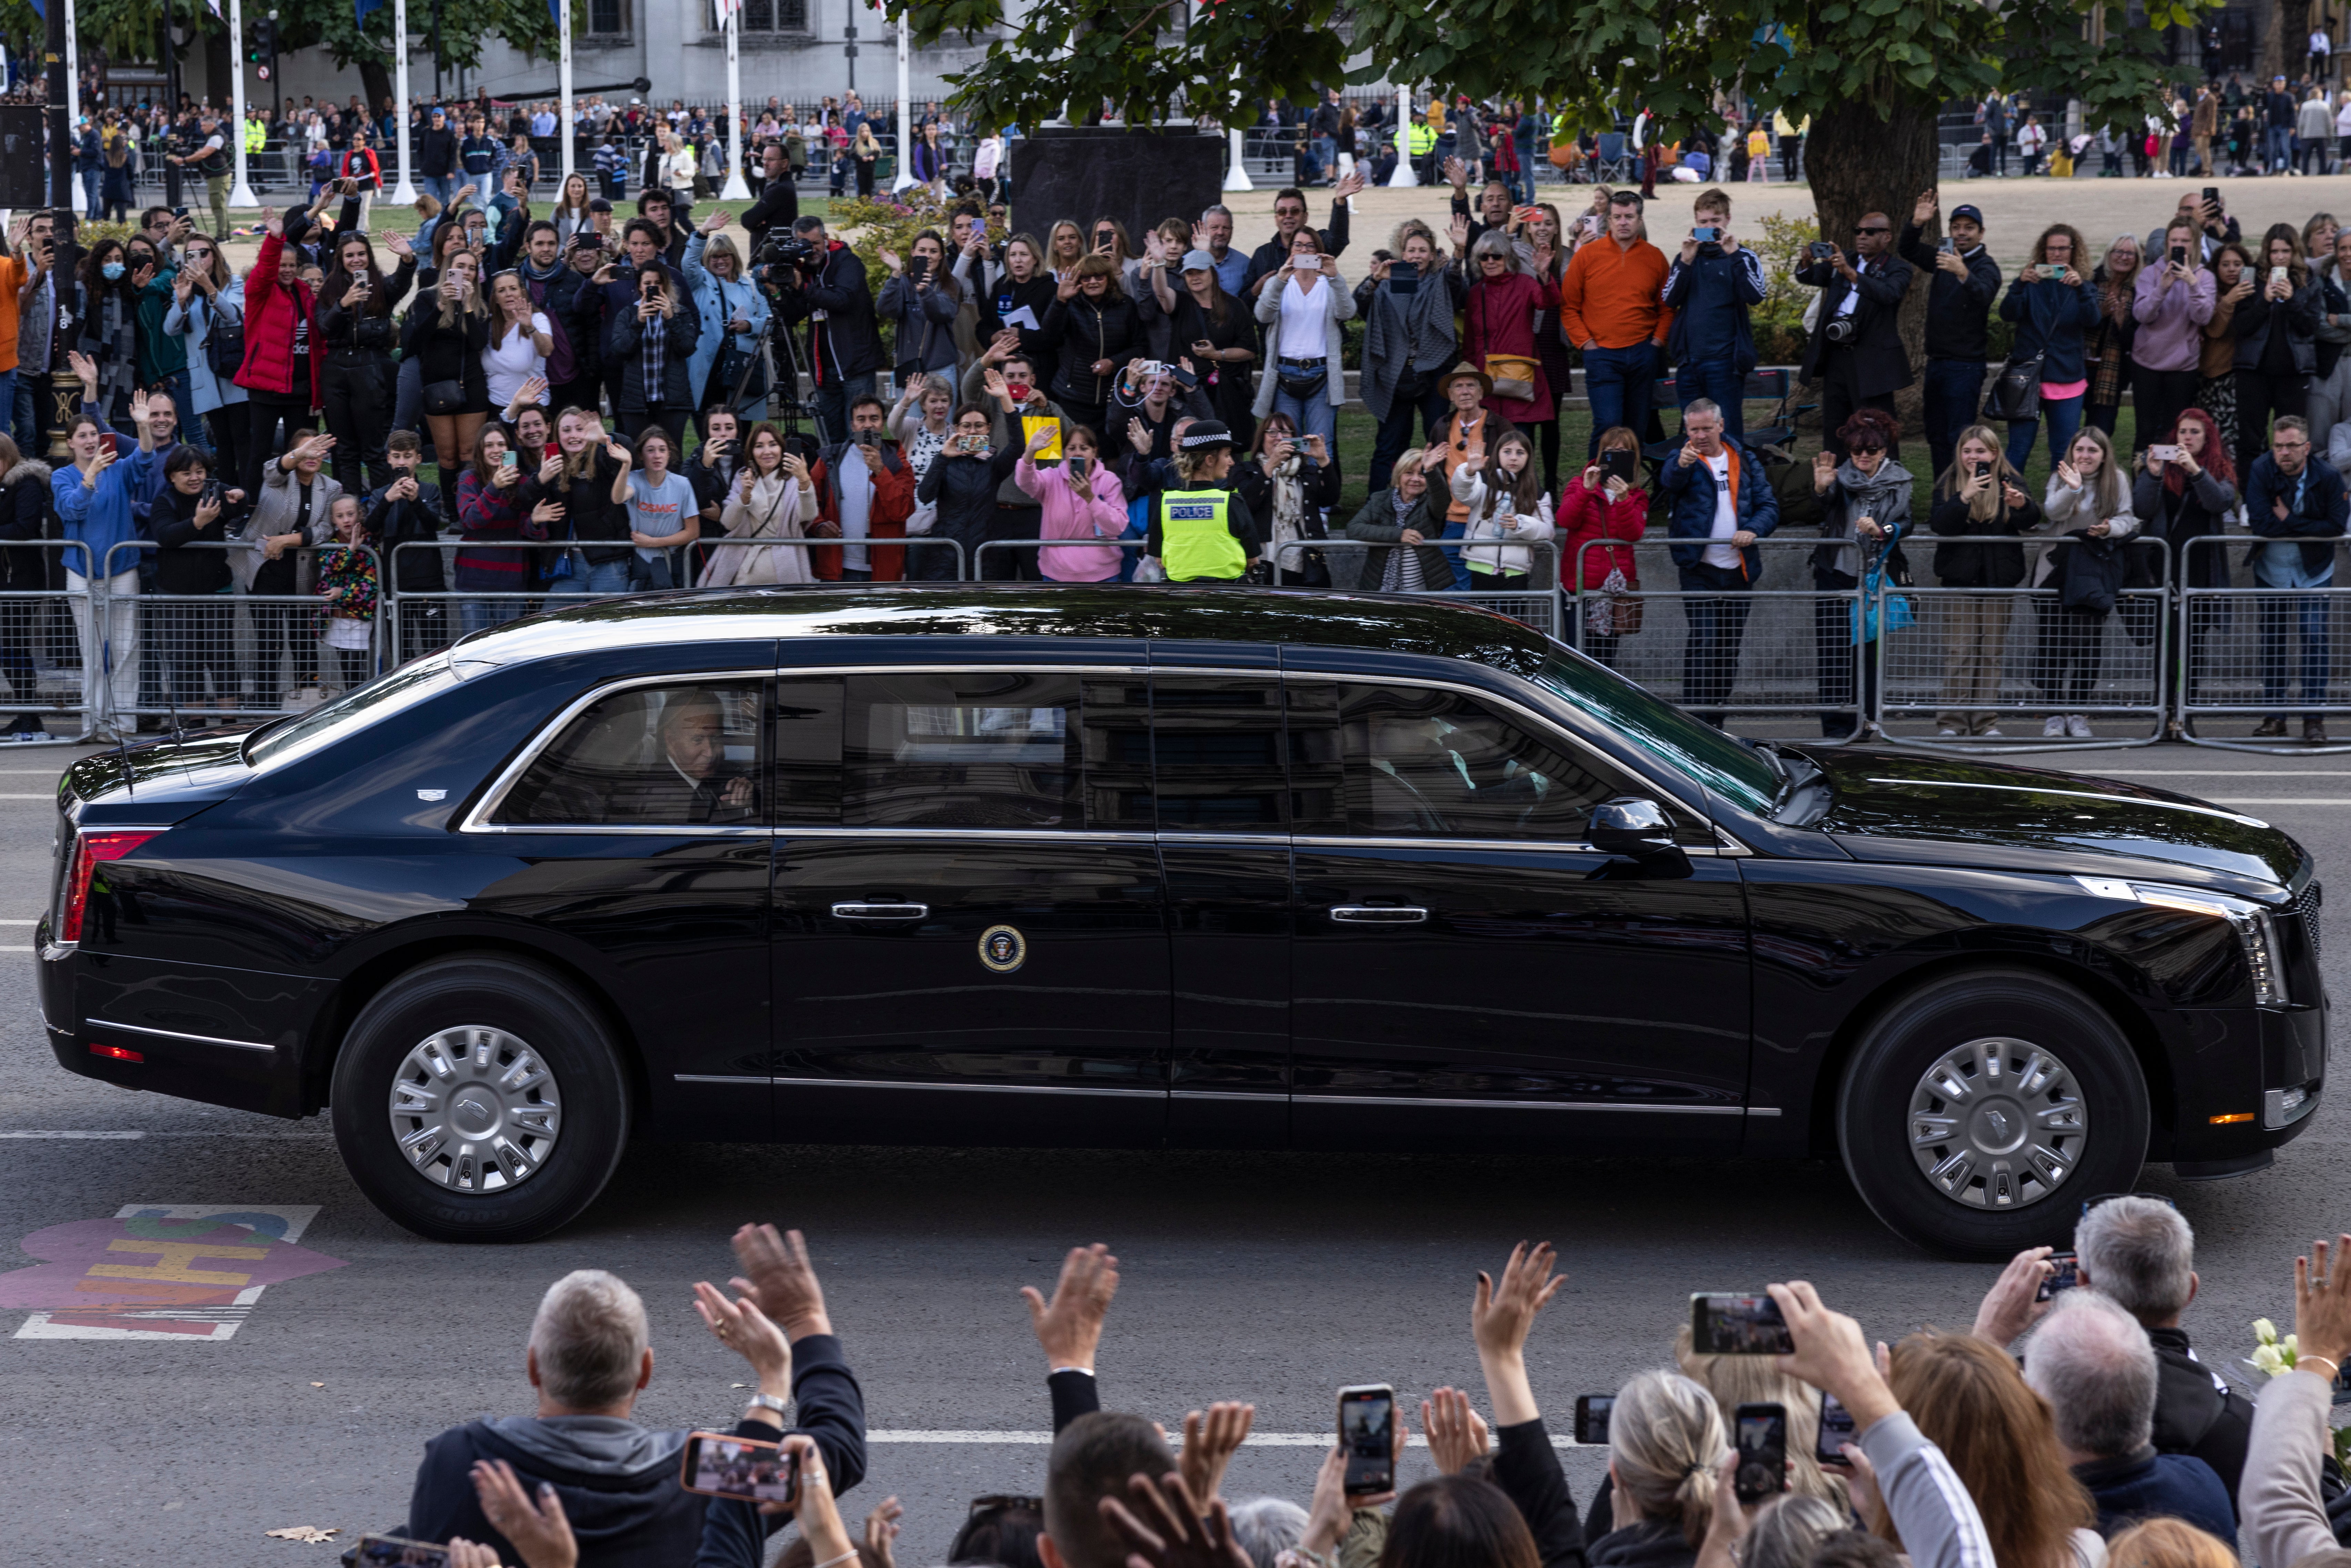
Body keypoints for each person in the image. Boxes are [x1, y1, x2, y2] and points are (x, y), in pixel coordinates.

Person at [402, 1226, 867, 1568]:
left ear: (532, 1367)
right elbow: (833, 1455)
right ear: (644, 1370)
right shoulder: (710, 1471)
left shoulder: (458, 1462)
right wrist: (805, 1319)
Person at [2021, 1290, 2234, 1542]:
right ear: (2149, 1389)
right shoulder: (2201, 1484)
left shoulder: (2030, 1523)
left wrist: (1989, 1337)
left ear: (2041, 1409)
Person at [1662, 398, 1779, 726]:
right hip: (1699, 569)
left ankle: (1717, 721)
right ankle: (1696, 723)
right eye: (1693, 429)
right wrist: (1681, 465)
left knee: (1728, 649)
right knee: (1704, 642)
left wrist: (1752, 530)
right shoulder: (1681, 458)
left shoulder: (1744, 458)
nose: (1700, 436)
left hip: (1739, 571)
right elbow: (1668, 483)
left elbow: (1769, 507)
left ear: (1720, 426)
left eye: (1706, 428)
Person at [1927, 425, 2042, 737]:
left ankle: (1984, 721)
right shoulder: (1949, 482)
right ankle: (1952, 722)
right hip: (1960, 581)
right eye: (1967, 451)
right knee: (1960, 653)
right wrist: (1964, 497)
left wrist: (2021, 505)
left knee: (1991, 654)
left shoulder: (2011, 480)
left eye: (1980, 451)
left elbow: (2031, 520)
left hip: (1998, 581)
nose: (1972, 457)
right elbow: (1940, 525)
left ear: (1993, 453)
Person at [1810, 408, 1913, 738]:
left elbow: (1907, 522)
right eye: (1856, 451)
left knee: (1868, 652)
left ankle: (1868, 720)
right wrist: (1821, 489)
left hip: (1873, 577)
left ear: (1884, 451)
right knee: (1833, 650)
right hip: (1835, 573)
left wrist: (1881, 529)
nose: (1863, 457)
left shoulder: (1900, 481)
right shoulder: (1839, 478)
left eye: (1871, 450)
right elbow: (1822, 509)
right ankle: (1835, 726)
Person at [2245, 414, 2349, 739]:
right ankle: (2274, 716)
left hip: (2314, 570)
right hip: (2272, 569)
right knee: (2273, 641)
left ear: (2306, 447)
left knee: (2314, 638)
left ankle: (2313, 719)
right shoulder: (2262, 469)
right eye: (2278, 446)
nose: (2284, 453)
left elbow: (2335, 525)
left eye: (2291, 446)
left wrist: (2289, 519)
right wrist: (2306, 527)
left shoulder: (2329, 476)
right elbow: (2261, 524)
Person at [2035, 426, 2137, 739]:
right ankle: (2054, 713)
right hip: (2055, 569)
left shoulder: (2117, 479)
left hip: (2093, 571)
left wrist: (2110, 529)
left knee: (2087, 646)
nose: (2085, 456)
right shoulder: (2061, 476)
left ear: (2104, 454)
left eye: (2092, 450)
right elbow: (2053, 511)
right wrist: (2073, 489)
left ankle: (2077, 713)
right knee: (2052, 645)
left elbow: (2128, 518)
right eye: (2080, 450)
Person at [1357, 223, 1468, 503]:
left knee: (1439, 440)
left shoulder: (1441, 278)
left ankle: (1443, 505)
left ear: (1432, 255)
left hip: (1433, 369)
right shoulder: (1393, 280)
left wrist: (1459, 253)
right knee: (1389, 443)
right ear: (1402, 254)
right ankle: (1380, 505)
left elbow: (1458, 287)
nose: (1416, 255)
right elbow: (1359, 307)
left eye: (1423, 250)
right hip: (1396, 372)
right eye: (1411, 250)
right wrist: (1375, 280)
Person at [1558, 189, 1671, 457]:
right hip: (1602, 356)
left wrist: (1656, 343)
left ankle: (1629, 495)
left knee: (1636, 431)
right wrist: (1587, 344)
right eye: (1617, 217)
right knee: (1607, 426)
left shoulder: (1655, 257)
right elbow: (1569, 306)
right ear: (1607, 220)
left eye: (1629, 217)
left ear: (1639, 220)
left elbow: (1666, 308)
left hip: (1642, 354)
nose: (1623, 222)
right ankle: (1593, 492)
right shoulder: (1587, 256)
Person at [1796, 211, 1915, 459]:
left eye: (1870, 232)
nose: (1862, 236)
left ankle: (1887, 486)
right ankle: (1834, 488)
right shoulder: (1846, 258)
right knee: (1835, 426)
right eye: (1858, 231)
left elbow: (1888, 294)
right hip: (1837, 357)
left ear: (1887, 238)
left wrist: (1850, 274)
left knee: (1876, 428)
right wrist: (1806, 263)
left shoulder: (1898, 269)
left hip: (1872, 362)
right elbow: (1811, 278)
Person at [236, 429, 341, 708]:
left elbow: (325, 530)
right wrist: (295, 456)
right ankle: (264, 707)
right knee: (269, 644)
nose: (312, 455)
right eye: (306, 449)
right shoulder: (279, 476)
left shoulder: (332, 488)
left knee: (304, 643)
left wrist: (286, 540)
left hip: (303, 577)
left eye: (318, 450)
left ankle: (306, 706)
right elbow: (271, 471)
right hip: (264, 572)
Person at [1901, 193, 2002, 482]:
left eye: (1969, 228)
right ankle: (1941, 498)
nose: (1961, 232)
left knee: (1962, 440)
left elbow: (1984, 295)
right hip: (1936, 364)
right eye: (1956, 227)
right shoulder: (1942, 258)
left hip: (1965, 367)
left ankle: (1965, 499)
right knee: (1935, 435)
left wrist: (1963, 273)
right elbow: (1907, 248)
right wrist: (1916, 223)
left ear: (1981, 233)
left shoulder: (1986, 266)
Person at [768, 215, 883, 446]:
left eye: (816, 243)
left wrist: (803, 287)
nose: (812, 250)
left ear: (826, 238)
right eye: (805, 245)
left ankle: (870, 480)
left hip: (856, 367)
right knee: (831, 443)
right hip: (824, 372)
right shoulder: (804, 269)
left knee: (864, 439)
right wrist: (776, 293)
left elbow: (842, 300)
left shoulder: (848, 263)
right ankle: (833, 483)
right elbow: (793, 316)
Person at [234, 212, 324, 504]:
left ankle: (294, 507)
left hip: (300, 391)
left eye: (292, 266)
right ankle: (252, 508)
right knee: (260, 452)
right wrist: (274, 239)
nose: (286, 270)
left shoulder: (306, 294)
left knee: (298, 452)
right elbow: (264, 270)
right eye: (281, 265)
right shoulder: (259, 291)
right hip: (266, 388)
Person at [1663, 188, 1766, 443]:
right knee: (1694, 435)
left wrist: (1733, 256)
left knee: (1728, 432)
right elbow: (1669, 299)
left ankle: (1733, 481)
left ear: (1727, 220)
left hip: (1725, 361)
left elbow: (1755, 296)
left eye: (1715, 222)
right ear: (1695, 224)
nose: (1710, 228)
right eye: (1703, 223)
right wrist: (1686, 262)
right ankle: (1697, 481)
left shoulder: (1743, 256)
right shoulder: (1686, 257)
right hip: (1689, 362)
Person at [1998, 225, 2101, 472]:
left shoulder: (2084, 286)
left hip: (2067, 379)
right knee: (2019, 448)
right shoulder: (2029, 283)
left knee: (2063, 450)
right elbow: (2007, 314)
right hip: (2028, 379)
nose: (2056, 254)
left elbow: (2093, 321)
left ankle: (2060, 507)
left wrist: (2080, 289)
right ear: (2043, 252)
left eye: (2062, 248)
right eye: (2051, 248)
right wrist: (2019, 285)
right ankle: (2007, 504)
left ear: (2073, 251)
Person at [2235, 223, 2323, 483]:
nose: (2280, 257)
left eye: (2285, 251)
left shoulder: (2308, 280)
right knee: (2250, 439)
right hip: (2253, 371)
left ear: (2294, 251)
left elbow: (2310, 327)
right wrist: (2265, 300)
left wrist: (2292, 299)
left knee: (2291, 441)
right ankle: (2252, 500)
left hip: (2293, 373)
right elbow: (2241, 326)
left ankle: (2288, 495)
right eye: (2274, 251)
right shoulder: (2250, 276)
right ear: (2266, 252)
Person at [163, 232, 250, 493]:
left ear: (215, 255)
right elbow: (170, 329)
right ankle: (226, 499)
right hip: (205, 376)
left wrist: (211, 289)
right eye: (192, 254)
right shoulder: (186, 289)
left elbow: (234, 317)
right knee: (221, 442)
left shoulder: (233, 283)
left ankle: (248, 497)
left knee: (243, 440)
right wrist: (180, 300)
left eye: (204, 253)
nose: (199, 258)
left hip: (232, 372)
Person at [1253, 228, 1354, 452]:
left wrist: (1335, 277)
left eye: (1310, 246)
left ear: (1318, 252)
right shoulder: (1279, 284)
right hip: (1284, 376)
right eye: (1298, 245)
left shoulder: (1328, 285)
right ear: (1290, 251)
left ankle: (1318, 486)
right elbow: (1262, 316)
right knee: (1289, 446)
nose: (1304, 250)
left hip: (1320, 376)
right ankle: (1292, 488)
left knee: (1320, 445)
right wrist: (1279, 280)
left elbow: (1347, 312)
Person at [1558, 426, 1647, 669]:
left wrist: (1623, 500)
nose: (1616, 456)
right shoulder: (1579, 484)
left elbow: (1633, 534)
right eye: (1610, 451)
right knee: (1577, 657)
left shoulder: (1637, 496)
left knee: (1604, 661)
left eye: (1623, 452)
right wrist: (1586, 491)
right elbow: (1565, 520)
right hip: (1578, 589)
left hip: (1613, 593)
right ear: (1600, 454)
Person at [807, 396, 915, 583]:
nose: (868, 425)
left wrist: (880, 471)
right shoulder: (830, 459)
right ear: (852, 425)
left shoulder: (898, 462)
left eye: (874, 419)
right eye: (861, 419)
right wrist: (819, 525)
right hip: (837, 568)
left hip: (883, 571)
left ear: (883, 424)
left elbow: (902, 510)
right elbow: (807, 501)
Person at [2133, 222, 2218, 456]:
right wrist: (2161, 289)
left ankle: (2171, 488)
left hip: (2182, 366)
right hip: (2147, 363)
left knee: (2174, 433)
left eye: (2184, 241)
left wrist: (2192, 284)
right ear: (2166, 243)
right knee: (2146, 431)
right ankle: (2143, 487)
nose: (2178, 246)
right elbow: (2142, 315)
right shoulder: (2149, 273)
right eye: (2174, 241)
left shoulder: (2205, 277)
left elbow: (2202, 318)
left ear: (2194, 244)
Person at [682, 218, 772, 436]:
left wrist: (749, 324)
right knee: (708, 430)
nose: (720, 261)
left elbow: (770, 320)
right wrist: (702, 233)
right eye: (715, 257)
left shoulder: (750, 286)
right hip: (708, 365)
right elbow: (688, 264)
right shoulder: (699, 282)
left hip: (741, 367)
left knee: (740, 431)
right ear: (707, 259)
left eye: (725, 256)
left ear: (734, 257)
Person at [701, 422, 819, 587]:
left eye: (773, 445)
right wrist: (745, 496)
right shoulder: (743, 477)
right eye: (759, 446)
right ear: (752, 452)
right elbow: (728, 523)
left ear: (782, 449)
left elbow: (808, 516)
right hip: (746, 570)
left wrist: (805, 482)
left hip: (786, 569)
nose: (767, 452)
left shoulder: (795, 480)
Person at [367, 429, 449, 662]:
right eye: (397, 456)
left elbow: (434, 523)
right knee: (399, 652)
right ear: (389, 459)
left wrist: (414, 501)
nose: (402, 462)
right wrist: (387, 500)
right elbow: (370, 527)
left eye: (407, 456)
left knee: (435, 651)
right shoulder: (380, 494)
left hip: (429, 584)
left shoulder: (430, 490)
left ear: (418, 459)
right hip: (394, 583)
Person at [1043, 254, 1142, 445]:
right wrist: (1060, 301)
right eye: (1086, 278)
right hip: (1073, 397)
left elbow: (1140, 347)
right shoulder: (1069, 304)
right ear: (1079, 281)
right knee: (1072, 455)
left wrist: (1114, 363)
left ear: (1109, 278)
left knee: (1109, 457)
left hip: (1112, 399)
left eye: (1099, 277)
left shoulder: (1126, 305)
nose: (1093, 282)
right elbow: (1050, 336)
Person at [1145, 421, 1259, 584]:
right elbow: (1253, 562)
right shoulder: (1231, 502)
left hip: (1181, 598)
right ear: (1210, 460)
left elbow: (1160, 560)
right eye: (1227, 455)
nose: (1232, 462)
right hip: (1226, 598)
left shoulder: (1167, 503)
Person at [917, 401, 1020, 581]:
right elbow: (924, 496)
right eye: (966, 426)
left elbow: (1018, 445)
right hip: (946, 555)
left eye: (979, 426)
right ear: (957, 428)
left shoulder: (994, 464)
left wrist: (1005, 399)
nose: (973, 431)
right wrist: (942, 458)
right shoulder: (944, 461)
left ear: (988, 429)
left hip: (984, 556)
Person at [1018, 422, 1128, 583]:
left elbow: (1117, 527)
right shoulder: (1052, 478)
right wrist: (1030, 452)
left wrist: (1090, 498)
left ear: (1095, 452)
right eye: (1072, 448)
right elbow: (1025, 483)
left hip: (1103, 576)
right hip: (1056, 575)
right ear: (1065, 453)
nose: (1078, 453)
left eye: (1084, 448)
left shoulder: (1110, 481)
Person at [605, 261, 701, 443]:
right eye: (648, 284)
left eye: (658, 283)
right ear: (640, 287)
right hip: (637, 400)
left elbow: (688, 348)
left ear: (665, 284)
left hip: (672, 400)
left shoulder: (681, 313)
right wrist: (639, 322)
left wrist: (671, 318)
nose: (653, 288)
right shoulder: (628, 314)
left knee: (672, 457)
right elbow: (619, 350)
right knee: (638, 458)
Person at [877, 229, 965, 389]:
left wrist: (924, 291)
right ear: (913, 253)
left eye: (933, 251)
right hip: (910, 370)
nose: (928, 256)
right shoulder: (903, 282)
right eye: (922, 251)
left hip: (941, 369)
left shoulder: (950, 284)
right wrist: (896, 274)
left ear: (941, 256)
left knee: (942, 414)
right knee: (910, 415)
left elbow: (941, 314)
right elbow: (886, 310)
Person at [617, 424, 699, 589]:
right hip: (642, 560)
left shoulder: (682, 484)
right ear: (641, 455)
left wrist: (653, 542)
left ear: (669, 454)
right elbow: (619, 498)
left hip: (674, 560)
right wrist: (626, 465)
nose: (657, 456)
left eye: (662, 450)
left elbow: (693, 532)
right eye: (651, 450)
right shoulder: (634, 479)